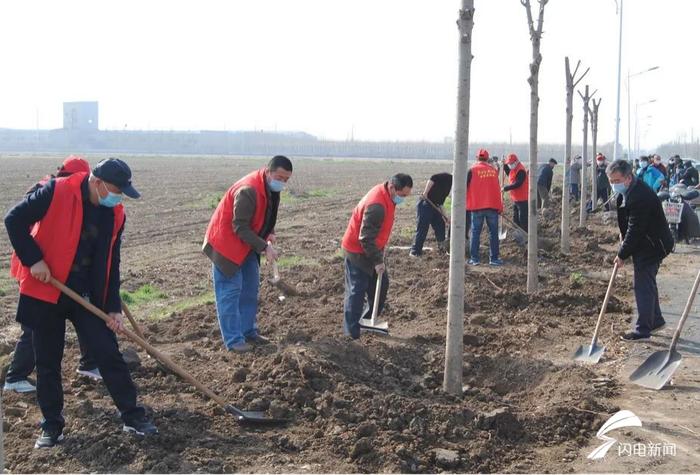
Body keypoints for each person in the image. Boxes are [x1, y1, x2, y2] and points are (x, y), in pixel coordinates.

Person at [4, 158, 157, 448]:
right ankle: (51, 426)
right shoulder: (56, 191)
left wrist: (112, 306)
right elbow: (13, 220)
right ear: (97, 183)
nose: (118, 197)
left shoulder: (115, 215)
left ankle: (133, 416)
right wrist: (33, 259)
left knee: (108, 352)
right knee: (48, 361)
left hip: (86, 295)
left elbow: (113, 263)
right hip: (47, 289)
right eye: (115, 190)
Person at [4, 156, 102, 394]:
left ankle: (89, 363)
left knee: (86, 310)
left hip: (58, 270)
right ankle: (15, 376)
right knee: (35, 325)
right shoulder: (49, 192)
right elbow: (18, 224)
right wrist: (35, 261)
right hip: (36, 269)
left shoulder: (75, 197)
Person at [203, 155, 292, 353]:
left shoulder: (269, 189)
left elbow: (266, 214)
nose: (282, 182)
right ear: (268, 171)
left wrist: (269, 232)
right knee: (230, 292)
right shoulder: (248, 190)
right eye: (279, 177)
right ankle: (234, 341)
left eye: (286, 179)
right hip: (226, 245)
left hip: (248, 245)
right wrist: (264, 247)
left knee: (250, 290)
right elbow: (239, 227)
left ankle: (248, 331)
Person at [607, 159, 674, 341]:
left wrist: (622, 254)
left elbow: (636, 229)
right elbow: (629, 224)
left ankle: (643, 330)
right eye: (611, 181)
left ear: (628, 178)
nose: (613, 185)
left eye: (616, 181)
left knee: (642, 284)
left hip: (653, 244)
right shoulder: (628, 191)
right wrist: (623, 236)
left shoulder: (639, 195)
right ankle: (656, 320)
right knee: (648, 282)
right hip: (647, 241)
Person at [341, 174, 413, 339]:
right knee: (356, 292)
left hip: (371, 249)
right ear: (392, 188)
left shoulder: (387, 194)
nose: (403, 199)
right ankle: (351, 335)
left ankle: (366, 321)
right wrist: (378, 261)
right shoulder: (377, 205)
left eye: (406, 196)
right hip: (357, 251)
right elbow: (365, 238)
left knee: (381, 287)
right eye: (402, 195)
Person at [467, 149, 503, 266]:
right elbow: (497, 190)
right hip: (492, 207)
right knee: (493, 233)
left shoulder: (472, 170)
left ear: (477, 158)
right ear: (487, 159)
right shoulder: (493, 171)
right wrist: (500, 206)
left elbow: (465, 187)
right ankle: (494, 259)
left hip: (477, 207)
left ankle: (475, 259)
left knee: (475, 232)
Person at [410, 172, 451, 257]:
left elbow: (441, 204)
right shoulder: (447, 177)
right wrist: (425, 192)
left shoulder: (450, 188)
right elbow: (433, 178)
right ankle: (415, 251)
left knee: (440, 226)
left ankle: (442, 249)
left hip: (435, 206)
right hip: (426, 203)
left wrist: (446, 217)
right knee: (423, 228)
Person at [503, 153, 529, 232]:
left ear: (516, 161)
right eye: (509, 164)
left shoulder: (521, 170)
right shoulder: (514, 169)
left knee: (522, 218)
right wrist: (504, 165)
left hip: (522, 198)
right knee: (515, 217)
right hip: (516, 198)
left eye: (511, 163)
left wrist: (506, 188)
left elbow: (518, 183)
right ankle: (517, 231)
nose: (510, 165)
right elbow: (509, 174)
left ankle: (524, 234)